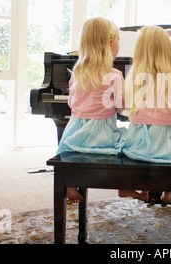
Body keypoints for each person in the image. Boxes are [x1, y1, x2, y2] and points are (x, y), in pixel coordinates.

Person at [117, 26, 171, 203]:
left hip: (137, 143)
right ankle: (168, 192)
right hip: (166, 145)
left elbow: (122, 108)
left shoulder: (132, 79)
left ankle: (145, 188)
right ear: (168, 51)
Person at [56, 17, 126, 203]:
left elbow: (72, 104)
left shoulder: (77, 73)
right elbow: (122, 107)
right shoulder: (115, 75)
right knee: (130, 144)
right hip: (103, 137)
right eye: (119, 40)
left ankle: (70, 186)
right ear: (111, 43)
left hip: (75, 135)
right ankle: (125, 185)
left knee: (64, 148)